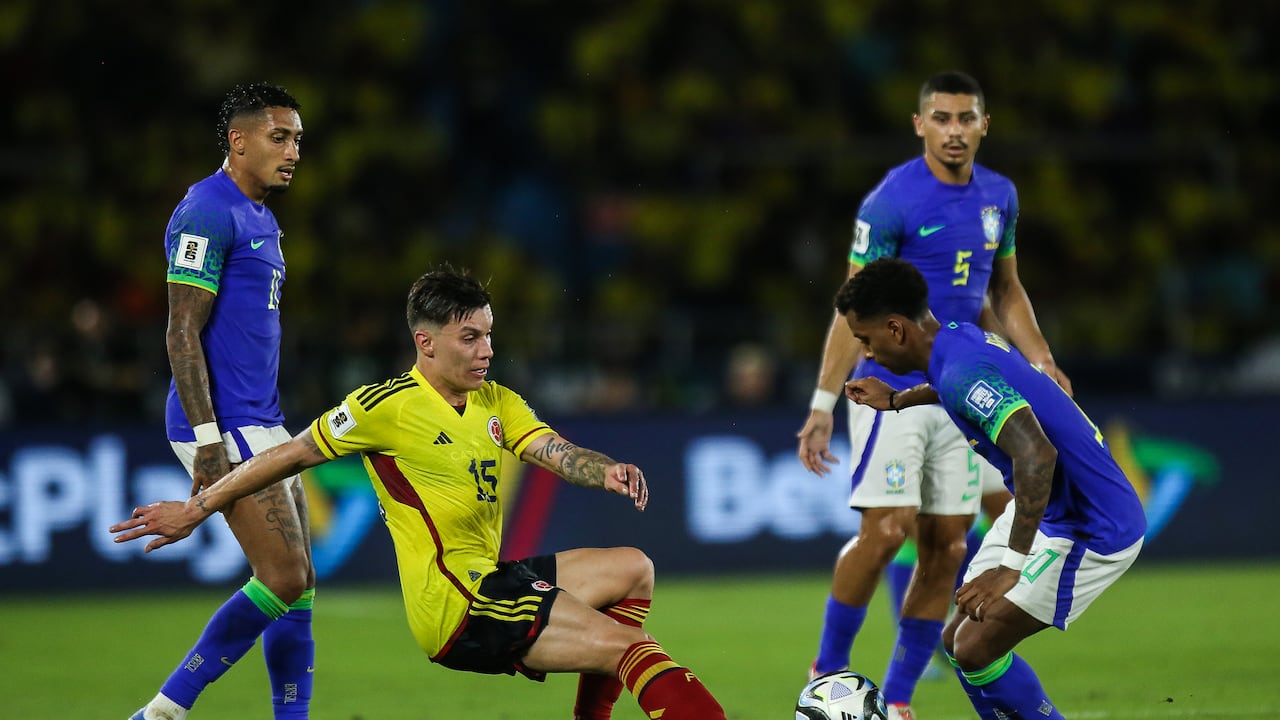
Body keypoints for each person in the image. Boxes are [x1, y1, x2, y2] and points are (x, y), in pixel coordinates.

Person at [112, 267, 728, 720]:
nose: (486, 349)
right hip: (456, 608)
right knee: (630, 648)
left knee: (633, 568)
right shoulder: (384, 407)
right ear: (426, 342)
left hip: (492, 577)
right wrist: (196, 508)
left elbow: (557, 455)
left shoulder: (496, 401)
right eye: (470, 337)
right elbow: (289, 455)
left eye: (489, 334)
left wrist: (606, 468)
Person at [795, 70, 1069, 719]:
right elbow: (851, 308)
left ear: (984, 124)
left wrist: (1041, 359)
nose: (954, 130)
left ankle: (896, 698)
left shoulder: (1000, 196)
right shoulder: (891, 202)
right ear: (919, 124)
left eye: (965, 118)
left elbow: (1004, 291)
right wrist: (821, 403)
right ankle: (827, 670)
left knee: (948, 543)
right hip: (887, 389)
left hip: (958, 387)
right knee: (887, 531)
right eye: (941, 118)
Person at [834, 257, 1145, 719]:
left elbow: (1038, 454)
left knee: (976, 646)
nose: (867, 353)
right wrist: (899, 399)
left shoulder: (958, 370)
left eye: (866, 339)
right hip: (1050, 512)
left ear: (896, 329)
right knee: (957, 641)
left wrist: (1010, 567)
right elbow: (960, 385)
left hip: (1092, 524)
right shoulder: (955, 338)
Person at [130, 82, 313, 720]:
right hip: (224, 424)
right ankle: (163, 712)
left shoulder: (262, 215)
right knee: (284, 578)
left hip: (262, 419)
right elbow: (183, 328)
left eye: (296, 139)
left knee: (301, 587)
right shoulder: (206, 209)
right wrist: (209, 440)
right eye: (278, 137)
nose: (292, 151)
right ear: (238, 140)